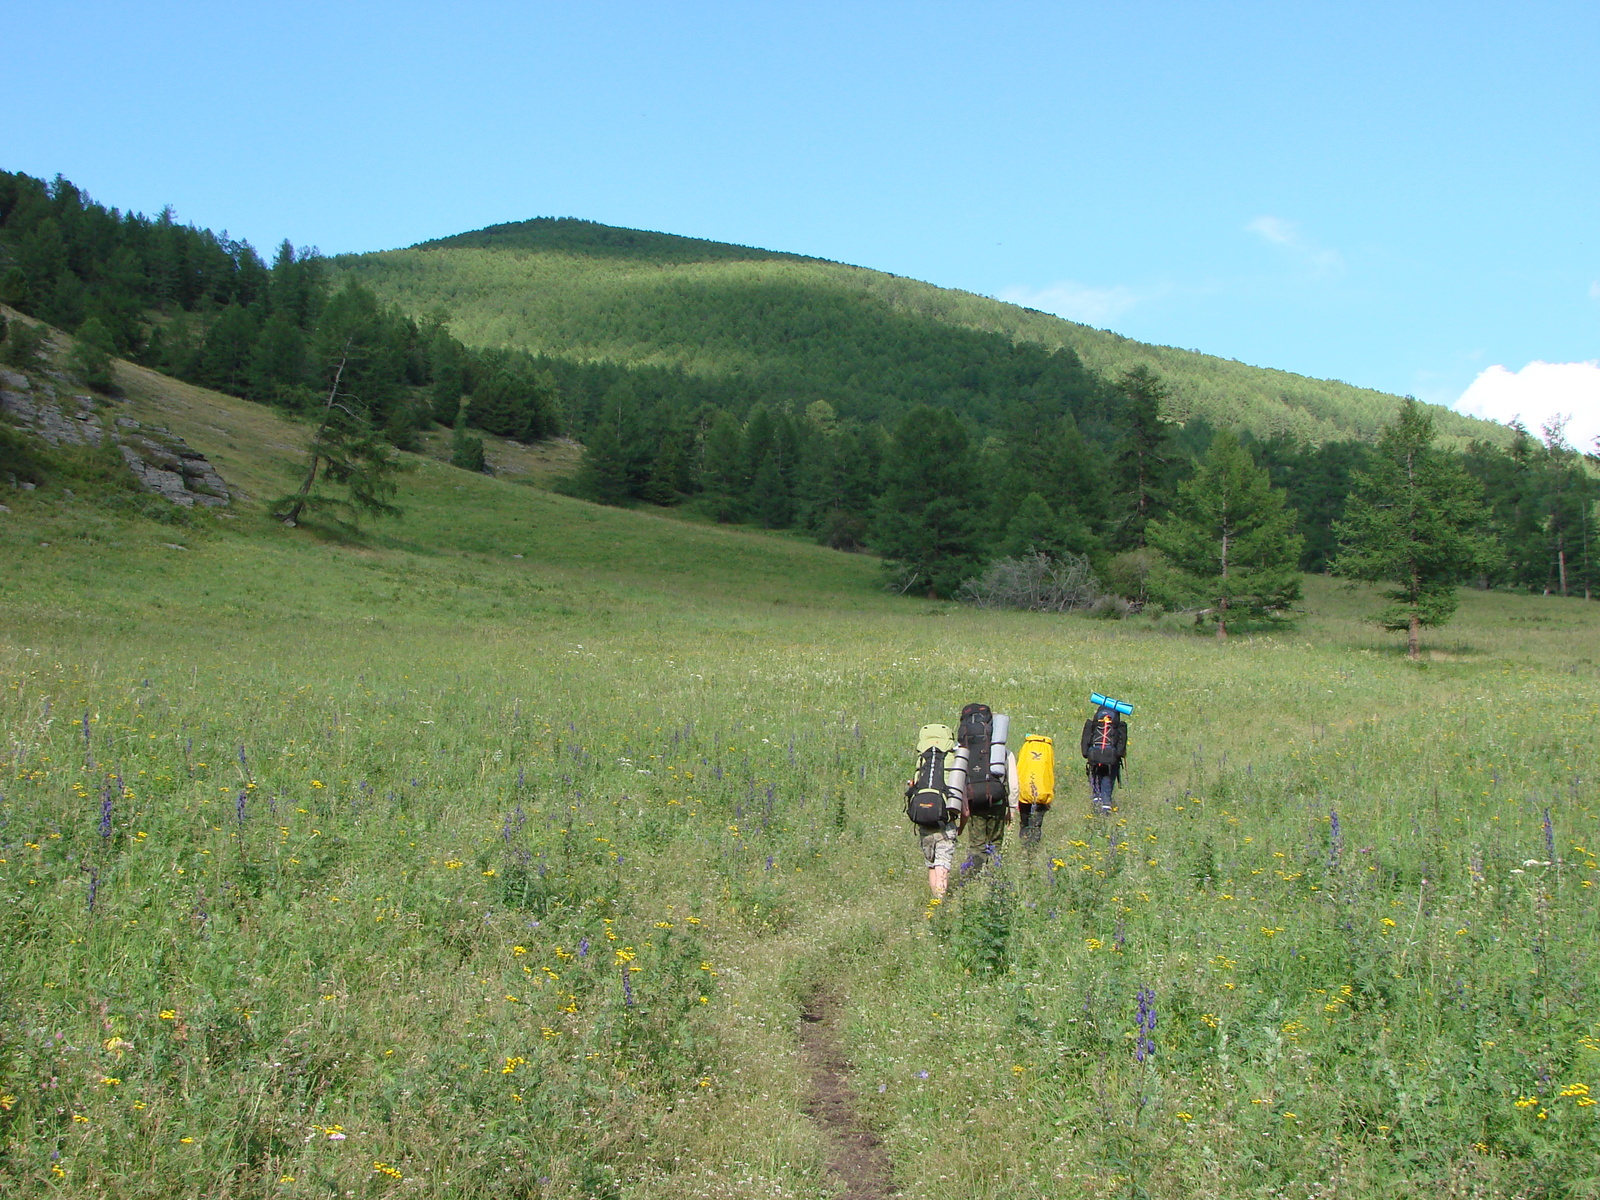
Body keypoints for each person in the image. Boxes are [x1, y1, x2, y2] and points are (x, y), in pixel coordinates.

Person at [956, 704, 1017, 875]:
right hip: (997, 800)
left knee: (977, 845)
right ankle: (995, 879)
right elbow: (1013, 782)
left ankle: (974, 877)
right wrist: (1012, 808)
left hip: (974, 800)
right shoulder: (1000, 749)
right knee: (996, 842)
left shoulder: (962, 748)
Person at [905, 723, 962, 897]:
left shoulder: (923, 757)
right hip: (946, 820)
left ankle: (934, 900)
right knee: (942, 864)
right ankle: (940, 901)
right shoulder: (952, 757)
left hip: (924, 818)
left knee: (931, 864)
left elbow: (914, 784)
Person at [1081, 702, 1128, 814]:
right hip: (1110, 758)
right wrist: (1117, 756)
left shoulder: (1093, 723)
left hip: (1094, 756)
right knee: (1107, 781)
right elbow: (1121, 745)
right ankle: (1106, 808)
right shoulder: (1119, 725)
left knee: (1095, 779)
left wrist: (1087, 754)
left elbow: (1085, 741)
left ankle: (1096, 804)